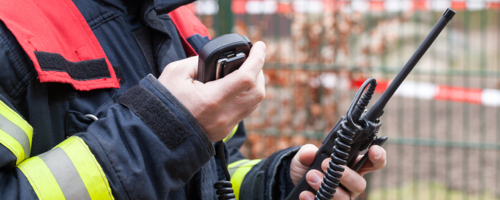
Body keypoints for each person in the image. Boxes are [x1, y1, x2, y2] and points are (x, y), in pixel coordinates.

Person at [0, 0, 386, 199]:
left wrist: (274, 183)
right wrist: (161, 130)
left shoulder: (181, 26)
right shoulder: (10, 29)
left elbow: (215, 172)